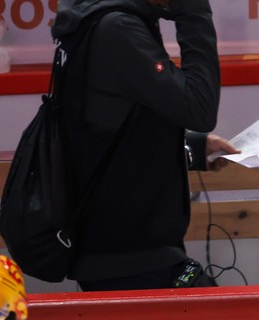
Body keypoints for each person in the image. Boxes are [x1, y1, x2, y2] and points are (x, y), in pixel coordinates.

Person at [49, 0, 234, 291]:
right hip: (129, 257)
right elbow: (200, 110)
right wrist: (193, 11)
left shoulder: (103, 20)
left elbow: (110, 129)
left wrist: (191, 148)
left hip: (127, 250)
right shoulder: (117, 29)